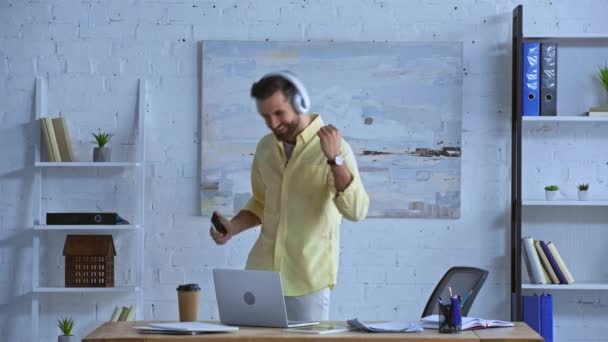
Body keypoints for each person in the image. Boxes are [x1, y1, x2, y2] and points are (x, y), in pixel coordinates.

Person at [210, 70, 369, 321]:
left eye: (279, 113)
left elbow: (357, 211)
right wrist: (233, 228)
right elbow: (261, 203)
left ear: (300, 104)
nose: (272, 123)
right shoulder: (265, 147)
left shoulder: (336, 149)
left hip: (307, 281)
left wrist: (334, 160)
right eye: (266, 116)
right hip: (260, 276)